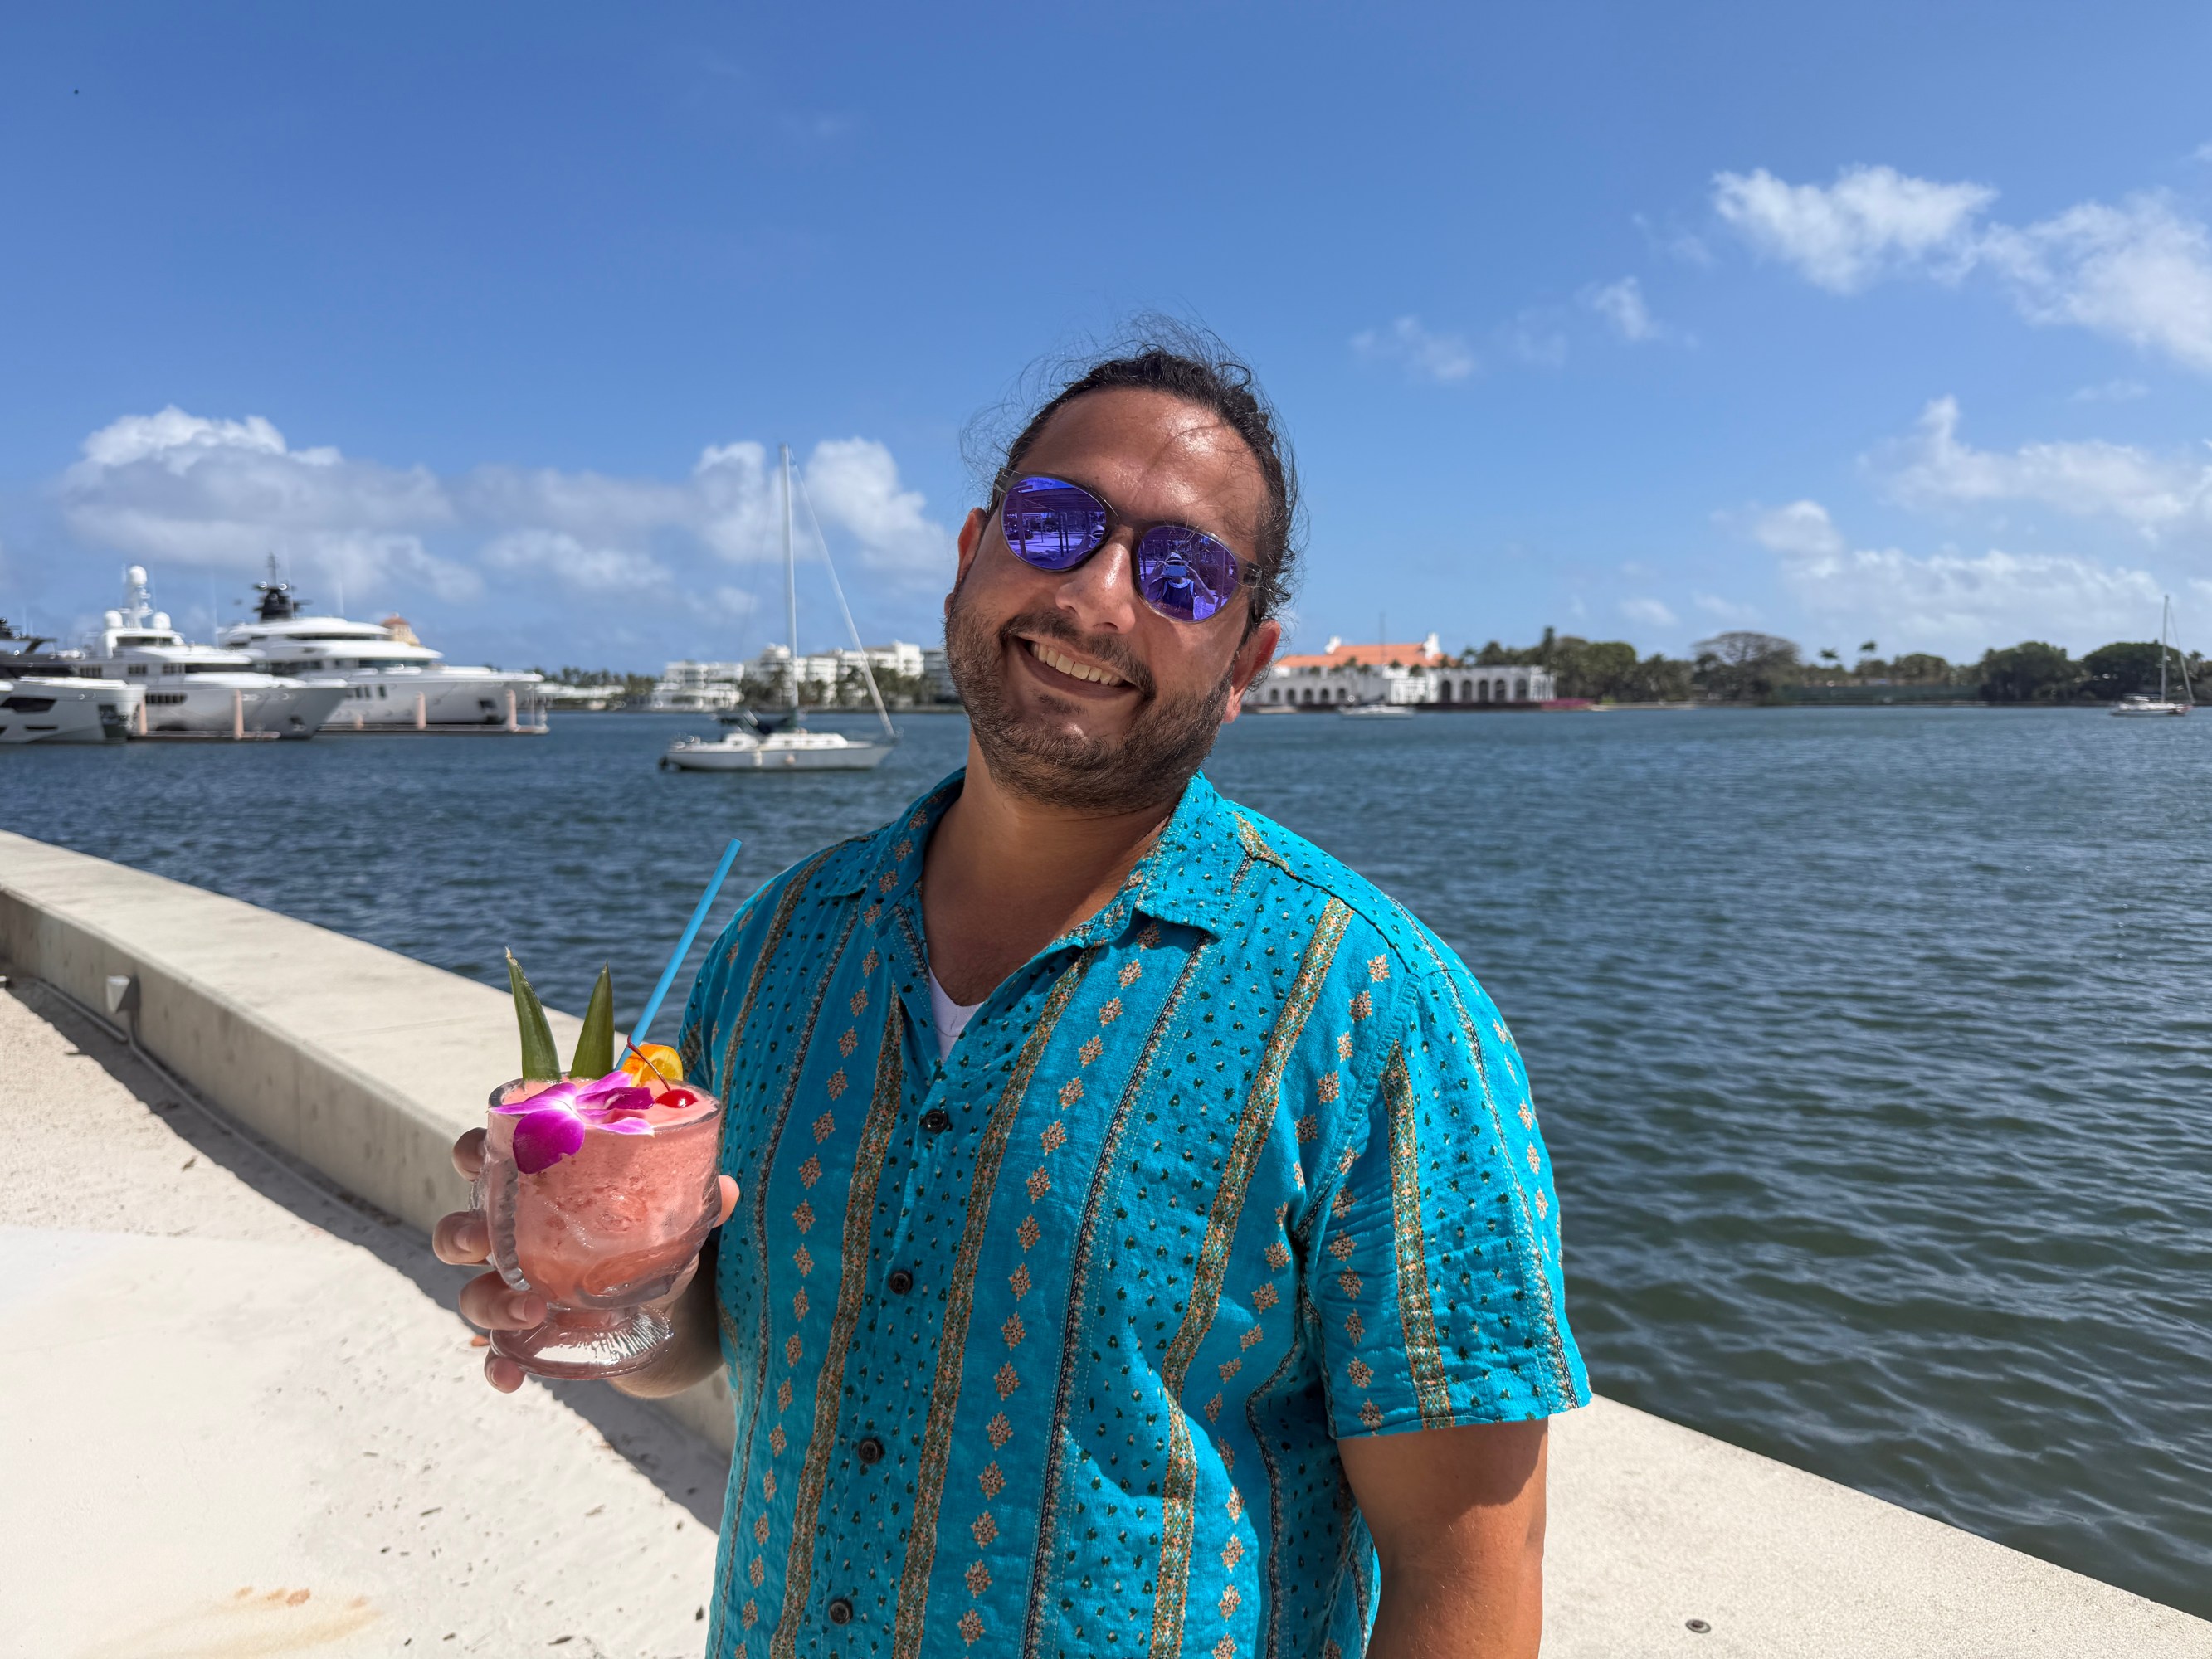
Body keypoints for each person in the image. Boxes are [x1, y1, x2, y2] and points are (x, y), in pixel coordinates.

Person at [436, 331, 1589, 1658]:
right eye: (1054, 525)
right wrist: (597, 1295)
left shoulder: (1369, 1013)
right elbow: (698, 1338)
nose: (1098, 598)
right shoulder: (779, 946)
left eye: (1182, 573)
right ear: (974, 550)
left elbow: (1470, 1571)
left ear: (1246, 662)